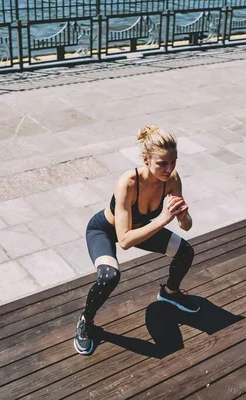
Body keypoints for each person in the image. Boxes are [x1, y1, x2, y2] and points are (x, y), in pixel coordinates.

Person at [74, 125, 199, 356]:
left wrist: (183, 216)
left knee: (185, 252)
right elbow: (124, 241)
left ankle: (170, 293)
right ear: (146, 159)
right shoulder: (128, 183)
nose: (169, 169)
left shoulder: (171, 179)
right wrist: (162, 220)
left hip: (142, 230)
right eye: (162, 163)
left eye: (174, 162)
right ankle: (85, 321)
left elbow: (187, 225)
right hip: (105, 230)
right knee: (109, 276)